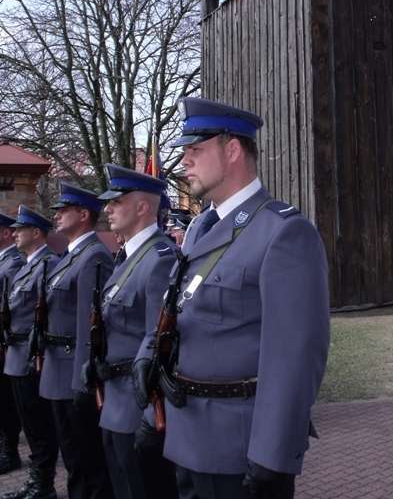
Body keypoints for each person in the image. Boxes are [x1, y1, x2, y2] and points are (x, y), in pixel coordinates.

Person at [135, 97, 330, 499]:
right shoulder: (200, 229)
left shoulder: (282, 232)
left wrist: (272, 456)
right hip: (187, 438)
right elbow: (177, 310)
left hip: (236, 449)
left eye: (195, 149)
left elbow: (295, 356)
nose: (185, 160)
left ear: (233, 149)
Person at [83, 164, 178, 499]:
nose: (107, 208)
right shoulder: (129, 258)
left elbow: (161, 342)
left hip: (138, 406)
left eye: (116, 201)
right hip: (115, 401)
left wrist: (151, 415)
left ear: (142, 207)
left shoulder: (160, 258)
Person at [39, 182, 115, 499]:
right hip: (59, 368)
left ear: (83, 215)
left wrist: (83, 381)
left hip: (75, 370)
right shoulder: (72, 256)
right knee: (72, 456)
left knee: (87, 458)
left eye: (64, 210)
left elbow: (90, 324)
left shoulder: (93, 256)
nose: (57, 215)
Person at [1, 206, 60, 499]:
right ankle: (36, 482)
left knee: (38, 425)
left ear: (36, 233)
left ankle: (43, 484)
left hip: (30, 354)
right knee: (29, 422)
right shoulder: (27, 264)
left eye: (20, 230)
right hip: (16, 352)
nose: (15, 234)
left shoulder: (48, 263)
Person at [0, 211, 24, 476]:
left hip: (6, 343)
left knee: (6, 401)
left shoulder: (13, 263)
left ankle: (9, 451)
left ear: (5, 233)